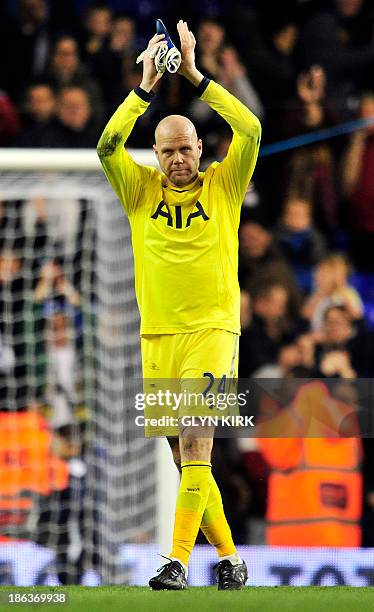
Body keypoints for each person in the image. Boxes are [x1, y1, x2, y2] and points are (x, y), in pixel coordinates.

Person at [97, 21, 261, 590]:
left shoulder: (225, 186)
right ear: (157, 153)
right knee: (187, 459)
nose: (176, 159)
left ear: (199, 148)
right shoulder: (139, 190)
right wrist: (144, 88)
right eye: (166, 150)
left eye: (185, 148)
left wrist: (194, 75)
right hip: (158, 336)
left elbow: (252, 127)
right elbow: (105, 146)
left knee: (196, 440)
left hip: (214, 331)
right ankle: (232, 559)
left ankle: (176, 563)